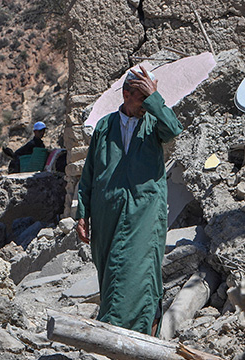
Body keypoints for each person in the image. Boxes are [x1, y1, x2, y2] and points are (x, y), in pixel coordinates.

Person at [75, 66, 183, 336]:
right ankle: (114, 331)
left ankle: (132, 334)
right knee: (111, 272)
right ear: (126, 95)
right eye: (141, 97)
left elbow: (173, 129)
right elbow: (89, 174)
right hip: (106, 214)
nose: (145, 104)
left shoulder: (153, 124)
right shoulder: (104, 126)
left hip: (144, 211)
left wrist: (155, 98)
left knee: (139, 268)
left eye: (149, 99)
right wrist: (82, 213)